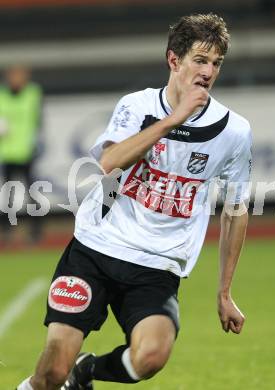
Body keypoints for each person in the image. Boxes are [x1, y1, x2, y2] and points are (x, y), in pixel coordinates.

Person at [17, 13, 252, 390]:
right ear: (174, 60)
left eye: (216, 63)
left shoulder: (234, 131)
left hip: (157, 266)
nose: (208, 71)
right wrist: (173, 119)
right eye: (200, 59)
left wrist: (225, 292)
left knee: (151, 357)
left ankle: (87, 371)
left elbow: (235, 211)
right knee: (49, 376)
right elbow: (110, 162)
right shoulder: (137, 105)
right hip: (96, 249)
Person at [0, 65, 43, 244]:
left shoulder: (33, 93)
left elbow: (37, 119)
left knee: (32, 193)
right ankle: (7, 231)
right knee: (8, 194)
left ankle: (35, 231)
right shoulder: (2, 95)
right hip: (7, 152)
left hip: (26, 152)